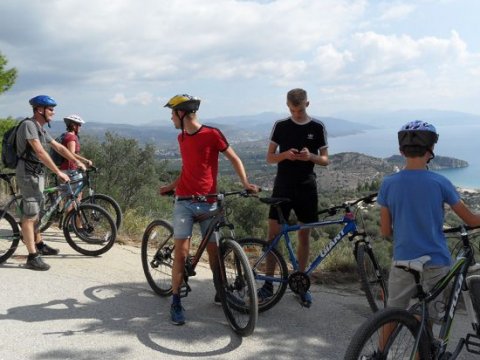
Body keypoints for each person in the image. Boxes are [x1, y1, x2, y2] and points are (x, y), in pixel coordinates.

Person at [159, 94, 259, 325]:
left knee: (215, 253)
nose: (171, 118)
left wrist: (245, 183)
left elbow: (234, 158)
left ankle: (220, 290)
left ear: (182, 113)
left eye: (172, 113)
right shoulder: (181, 138)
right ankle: (175, 300)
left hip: (208, 201)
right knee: (182, 253)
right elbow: (187, 169)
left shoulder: (212, 134)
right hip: (184, 200)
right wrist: (171, 187)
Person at [377, 120, 480, 341]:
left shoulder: (388, 183)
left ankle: (379, 354)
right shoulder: (440, 182)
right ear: (431, 150)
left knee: (390, 315)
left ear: (401, 151)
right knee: (428, 319)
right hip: (435, 262)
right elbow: (471, 220)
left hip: (403, 261)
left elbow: (385, 231)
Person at [261, 88, 329, 308]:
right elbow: (270, 158)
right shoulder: (280, 126)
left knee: (304, 236)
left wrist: (311, 157)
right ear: (287, 106)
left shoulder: (317, 127)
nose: (296, 114)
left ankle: (301, 283)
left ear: (307, 104)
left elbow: (326, 160)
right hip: (283, 186)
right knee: (273, 235)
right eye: (292, 110)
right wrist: (285, 155)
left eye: (299, 110)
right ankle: (268, 283)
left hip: (307, 187)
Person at [16, 95, 86, 271]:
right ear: (40, 109)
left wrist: (76, 161)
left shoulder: (39, 128)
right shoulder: (28, 126)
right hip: (28, 174)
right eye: (50, 109)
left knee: (37, 212)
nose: (53, 113)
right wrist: (58, 172)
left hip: (36, 174)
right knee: (30, 215)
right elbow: (39, 152)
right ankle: (32, 257)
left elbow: (58, 147)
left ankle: (39, 245)